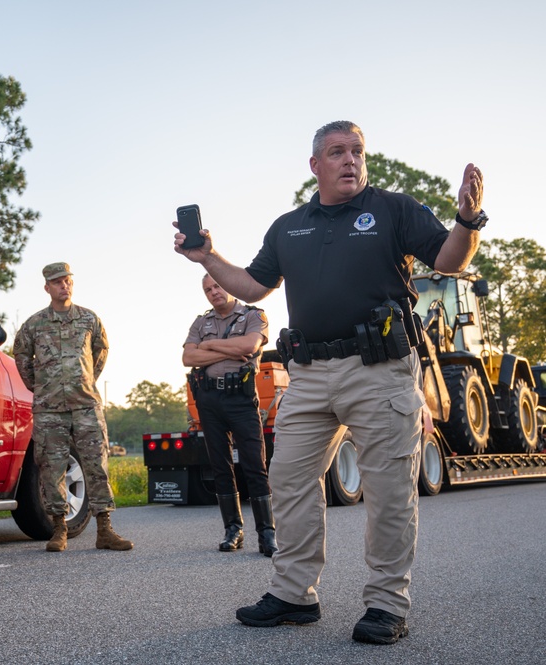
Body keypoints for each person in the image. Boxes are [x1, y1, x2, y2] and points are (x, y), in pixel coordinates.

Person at [174, 121, 484, 645]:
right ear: (315, 165)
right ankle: (295, 595)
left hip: (379, 371)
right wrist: (206, 256)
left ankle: (387, 603)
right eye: (337, 152)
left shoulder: (393, 209)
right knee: (289, 479)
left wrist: (467, 220)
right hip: (309, 375)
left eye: (357, 152)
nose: (350, 160)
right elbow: (253, 285)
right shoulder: (289, 226)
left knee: (388, 490)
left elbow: (450, 259)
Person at [12, 262, 132, 553]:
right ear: (47, 288)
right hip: (49, 408)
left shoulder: (89, 320)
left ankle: (105, 529)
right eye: (57, 282)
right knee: (51, 469)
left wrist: (86, 381)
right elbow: (21, 357)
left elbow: (100, 353)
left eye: (67, 280)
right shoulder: (34, 324)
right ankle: (59, 529)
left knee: (96, 465)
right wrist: (40, 387)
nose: (63, 286)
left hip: (85, 405)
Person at [183, 274, 275, 556]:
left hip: (241, 399)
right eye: (208, 289)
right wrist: (225, 351)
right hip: (209, 400)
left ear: (229, 286)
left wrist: (208, 346)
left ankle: (266, 533)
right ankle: (233, 530)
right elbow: (189, 358)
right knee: (220, 466)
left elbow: (249, 347)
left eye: (217, 286)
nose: (213, 292)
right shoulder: (201, 322)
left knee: (254, 465)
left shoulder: (252, 315)